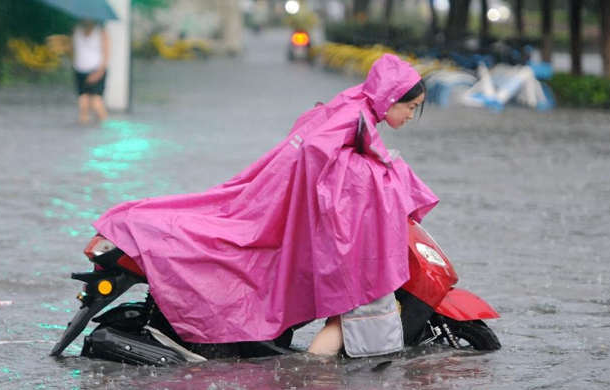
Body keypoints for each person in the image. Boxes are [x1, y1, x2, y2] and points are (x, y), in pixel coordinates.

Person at [92, 54, 438, 357]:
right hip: (282, 207)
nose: (410, 115)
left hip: (280, 200)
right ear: (391, 98)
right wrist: (382, 175)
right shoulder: (354, 114)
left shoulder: (351, 106)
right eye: (410, 107)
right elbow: (319, 154)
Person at [66, 19, 110, 124]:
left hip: (84, 67)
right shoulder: (99, 32)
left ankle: (87, 121)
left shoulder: (77, 30)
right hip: (89, 67)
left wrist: (100, 71)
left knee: (87, 98)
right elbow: (106, 52)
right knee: (91, 99)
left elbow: (72, 49)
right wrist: (101, 70)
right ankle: (103, 123)